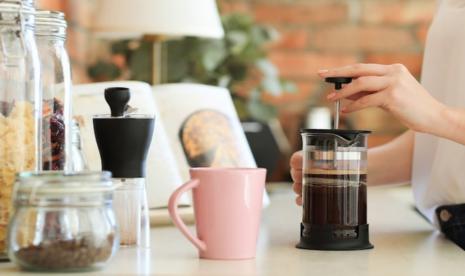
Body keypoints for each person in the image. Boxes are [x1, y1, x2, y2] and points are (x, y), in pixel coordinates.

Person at [290, 0, 465, 249]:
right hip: (447, 228)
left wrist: (437, 115)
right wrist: (346, 168)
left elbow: (441, 119)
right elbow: (442, 146)